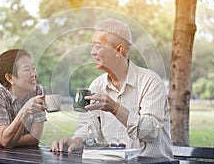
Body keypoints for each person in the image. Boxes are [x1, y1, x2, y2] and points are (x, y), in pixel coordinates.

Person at [50, 18, 173, 159]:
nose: (92, 52)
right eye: (92, 46)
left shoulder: (150, 82)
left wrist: (115, 108)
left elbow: (151, 132)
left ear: (119, 50)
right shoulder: (97, 85)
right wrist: (75, 141)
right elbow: (89, 126)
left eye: (98, 46)